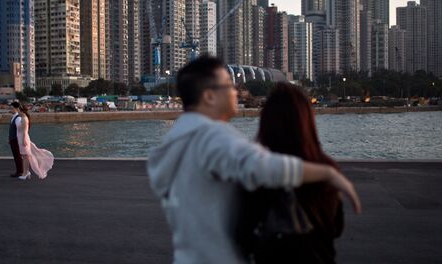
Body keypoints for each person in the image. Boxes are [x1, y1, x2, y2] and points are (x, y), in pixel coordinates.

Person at [146, 56, 361, 264]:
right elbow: (261, 167)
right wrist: (328, 173)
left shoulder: (173, 142)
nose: (236, 91)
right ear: (209, 96)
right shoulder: (212, 136)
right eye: (229, 85)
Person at [242, 83, 345, 263]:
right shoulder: (324, 167)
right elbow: (337, 228)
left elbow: (244, 232)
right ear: (307, 120)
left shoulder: (258, 170)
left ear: (266, 121)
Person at [16, 104, 54, 180]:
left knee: (25, 156)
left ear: (22, 111)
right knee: (24, 156)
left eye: (19, 110)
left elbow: (24, 131)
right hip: (21, 138)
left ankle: (25, 173)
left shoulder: (24, 118)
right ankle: (26, 172)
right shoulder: (23, 118)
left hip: (23, 138)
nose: (18, 112)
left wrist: (23, 140)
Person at [8, 102, 24, 177]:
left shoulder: (18, 118)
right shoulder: (14, 117)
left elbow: (19, 130)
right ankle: (18, 171)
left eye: (12, 108)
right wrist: (9, 138)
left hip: (15, 140)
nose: (10, 109)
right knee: (16, 156)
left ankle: (20, 171)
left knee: (17, 156)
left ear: (16, 108)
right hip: (12, 139)